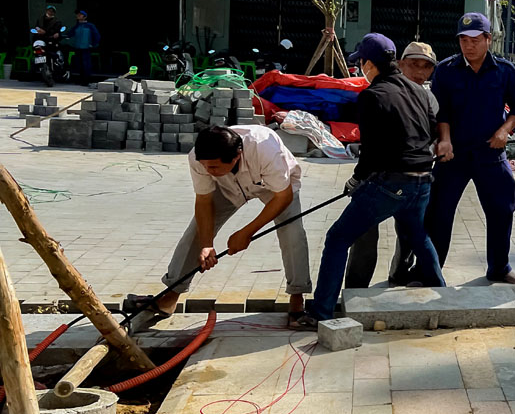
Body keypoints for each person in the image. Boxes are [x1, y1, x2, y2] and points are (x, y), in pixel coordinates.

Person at [306, 34, 445, 322]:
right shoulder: (420, 92)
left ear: (369, 64)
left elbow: (369, 152)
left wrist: (356, 181)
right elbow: (431, 132)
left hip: (391, 183)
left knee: (337, 238)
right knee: (418, 236)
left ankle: (321, 312)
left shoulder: (372, 95)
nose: (361, 69)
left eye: (361, 63)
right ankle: (447, 299)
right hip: (423, 180)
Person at [128, 125, 312, 325]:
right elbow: (204, 201)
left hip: (276, 188)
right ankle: (170, 296)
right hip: (227, 187)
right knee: (195, 234)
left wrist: (246, 232)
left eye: (214, 167)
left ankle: (297, 298)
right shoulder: (198, 157)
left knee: (292, 233)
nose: (208, 171)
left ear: (236, 157)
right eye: (205, 166)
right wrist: (206, 244)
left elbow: (283, 197)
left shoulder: (265, 149)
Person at [426, 13, 515, 285]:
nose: (468, 46)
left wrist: (504, 130)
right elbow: (440, 111)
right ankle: (430, 271)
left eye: (474, 40)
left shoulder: (505, 71)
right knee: (438, 212)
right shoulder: (446, 70)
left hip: (490, 153)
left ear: (488, 39)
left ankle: (499, 268)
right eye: (463, 40)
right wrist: (444, 139)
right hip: (454, 155)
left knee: (502, 210)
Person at [345, 40, 439, 288]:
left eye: (426, 67)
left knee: (411, 234)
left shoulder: (426, 97)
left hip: (406, 178)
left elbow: (431, 134)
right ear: (400, 64)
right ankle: (357, 288)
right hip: (382, 178)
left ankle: (401, 274)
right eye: (414, 64)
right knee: (366, 232)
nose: (420, 72)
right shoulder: (382, 93)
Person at [64, 9, 101, 83]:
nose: (78, 16)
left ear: (85, 17)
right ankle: (81, 80)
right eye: (77, 14)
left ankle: (86, 80)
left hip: (86, 48)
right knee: (79, 64)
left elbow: (97, 36)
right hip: (78, 48)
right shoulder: (77, 26)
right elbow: (70, 34)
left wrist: (93, 44)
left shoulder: (90, 26)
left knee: (86, 64)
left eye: (80, 15)